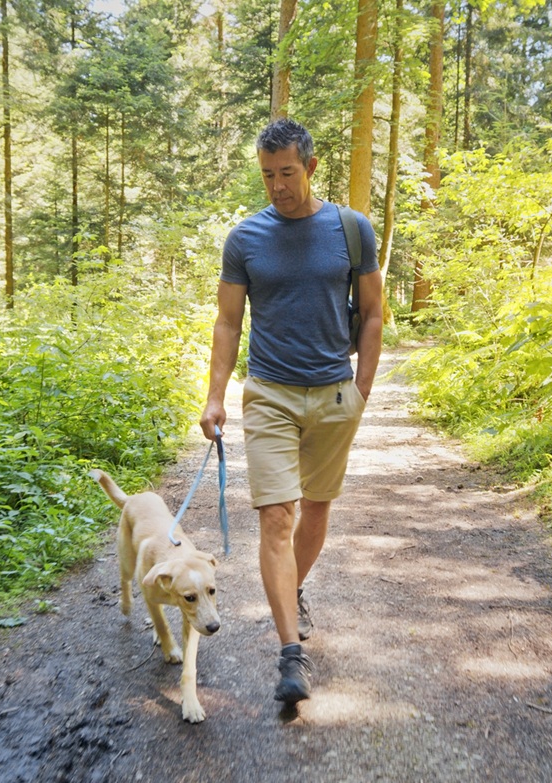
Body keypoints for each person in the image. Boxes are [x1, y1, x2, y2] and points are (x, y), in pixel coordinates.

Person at [199, 118, 383, 706]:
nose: (276, 186)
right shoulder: (245, 238)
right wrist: (214, 396)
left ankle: (292, 588)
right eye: (266, 175)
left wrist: (362, 388)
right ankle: (290, 655)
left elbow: (374, 313)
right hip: (270, 395)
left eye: (286, 173)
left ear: (310, 165)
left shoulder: (351, 229)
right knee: (276, 517)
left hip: (333, 395)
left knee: (316, 510)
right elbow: (228, 323)